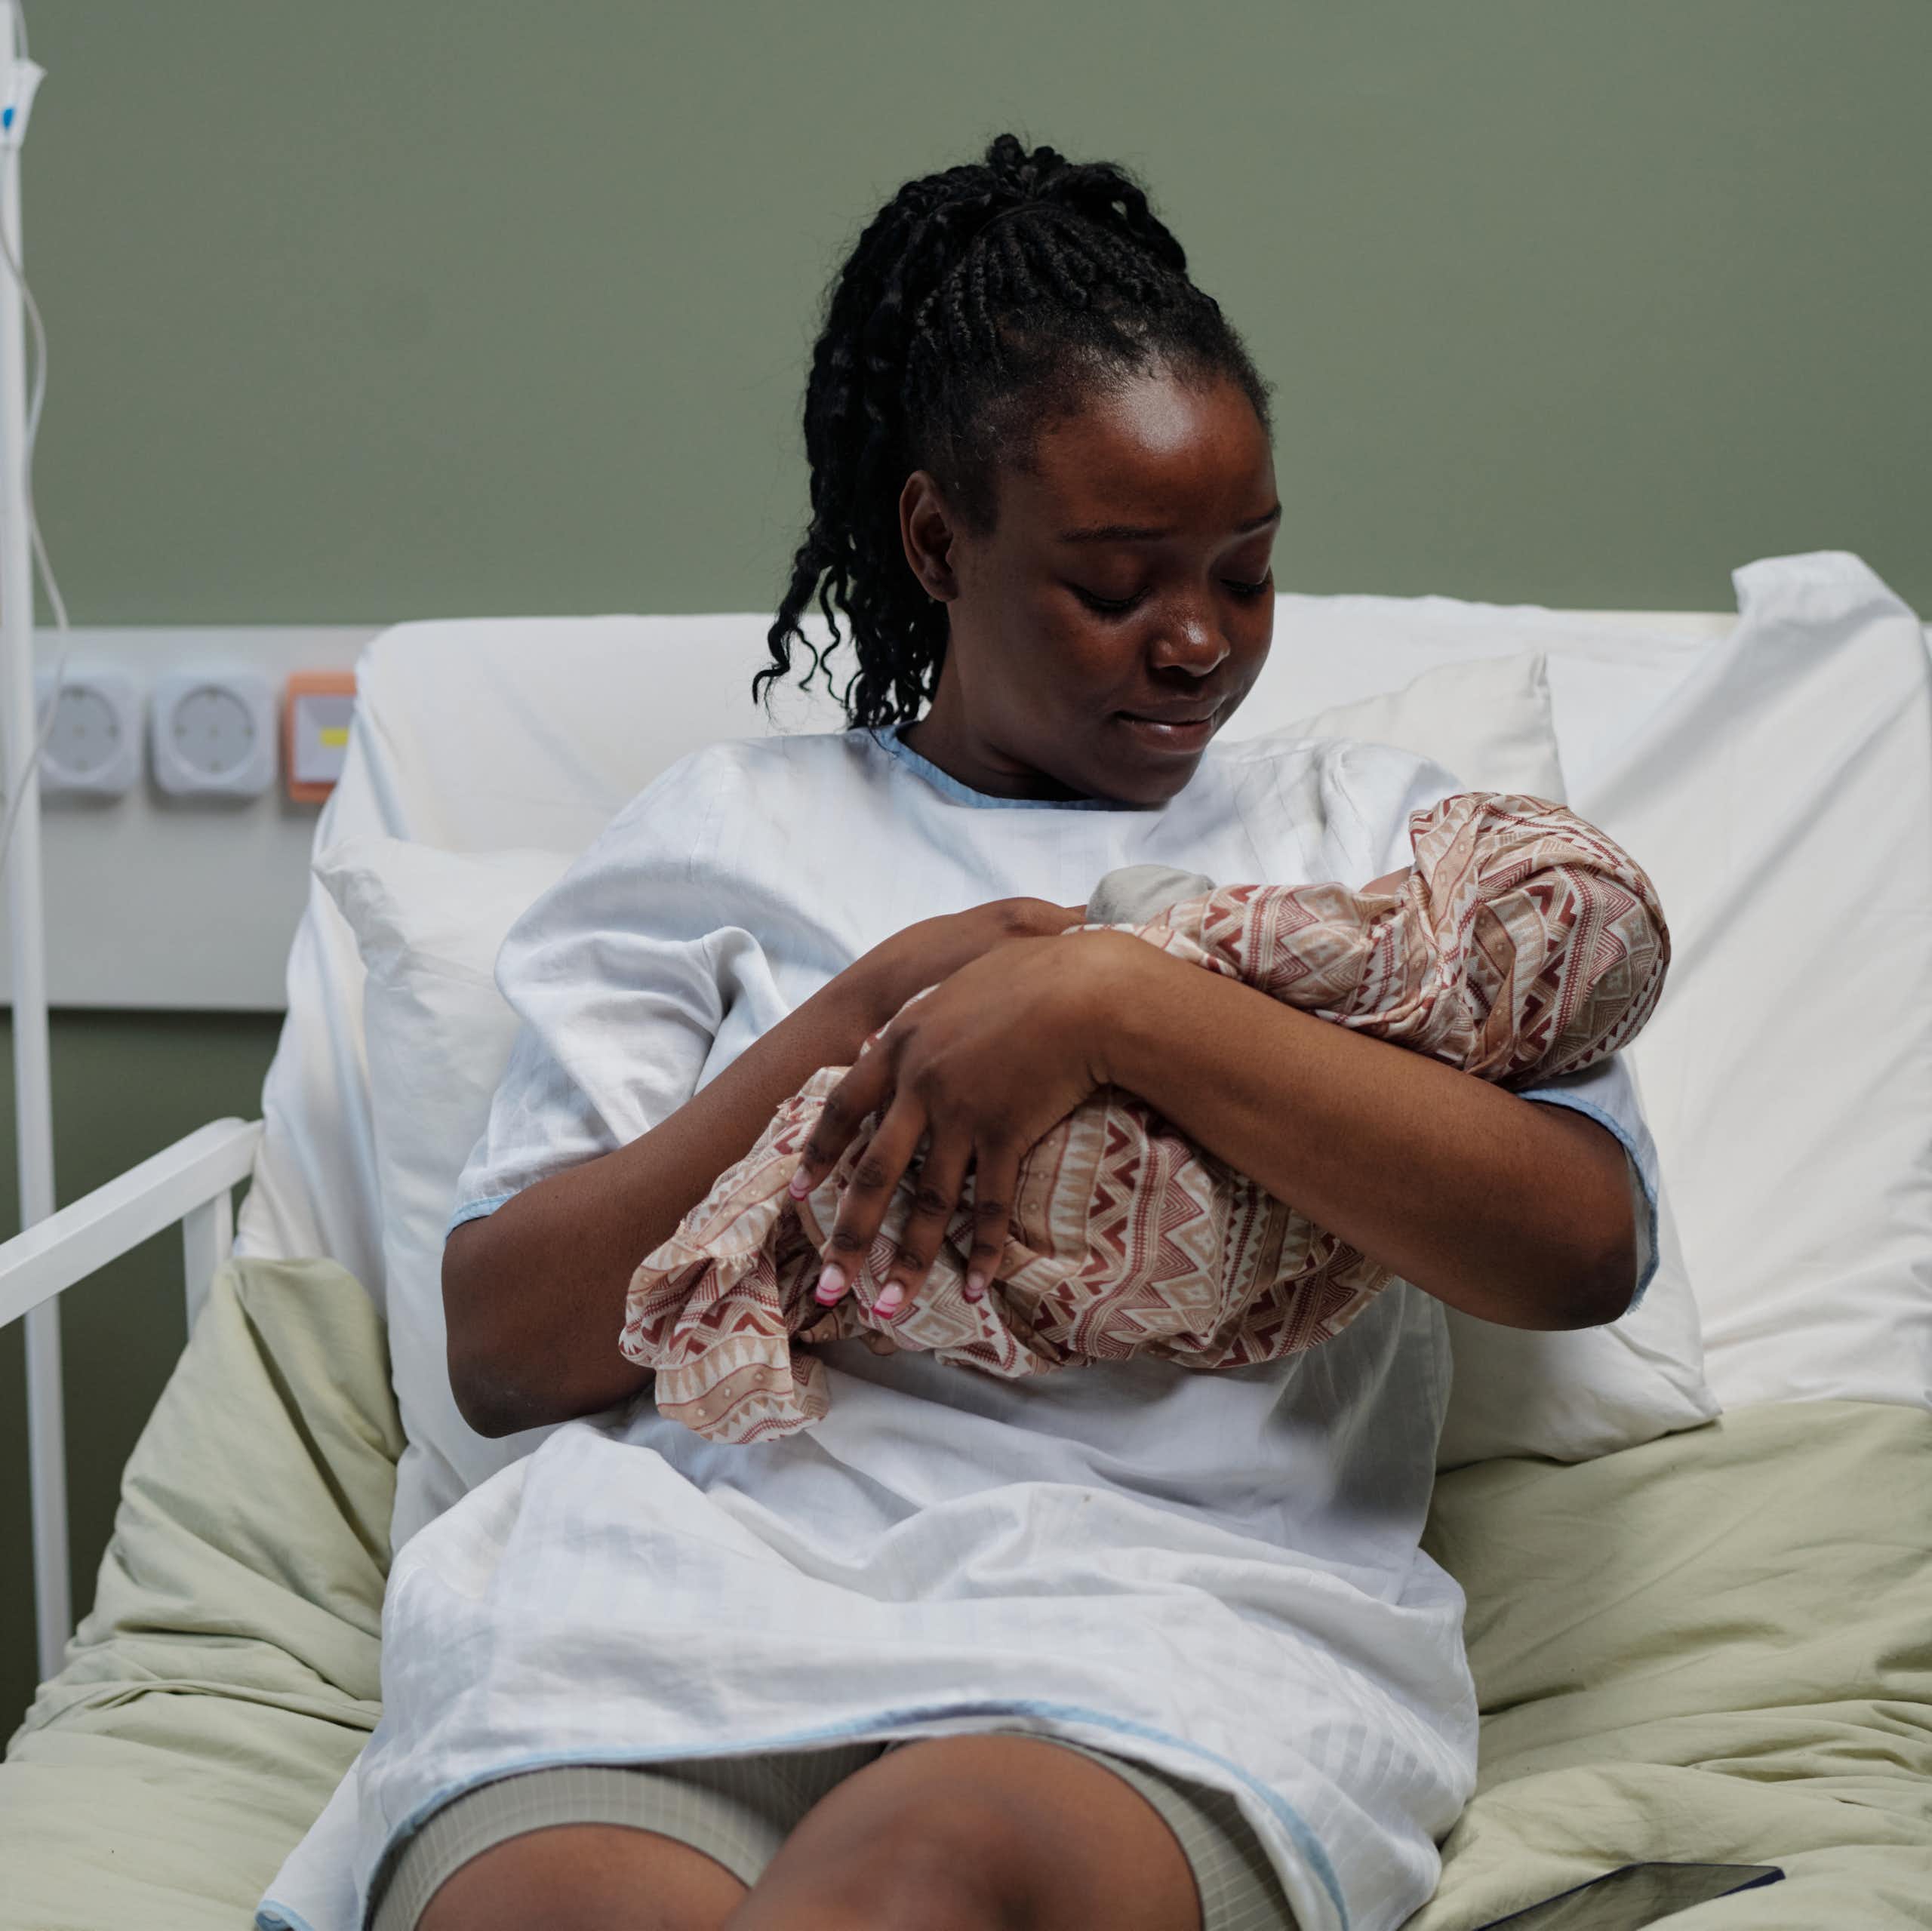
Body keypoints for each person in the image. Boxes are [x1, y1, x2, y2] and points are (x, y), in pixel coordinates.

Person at [335, 136, 1656, 1931]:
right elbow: (504, 1347)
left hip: (1158, 1638)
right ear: (936, 539)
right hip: (678, 1617)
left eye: (1245, 572)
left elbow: (1580, 1242)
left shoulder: (1382, 859)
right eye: (1114, 581)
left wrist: (1113, 1005)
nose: (1193, 637)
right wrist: (875, 1006)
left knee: (916, 1884)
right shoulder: (717, 838)